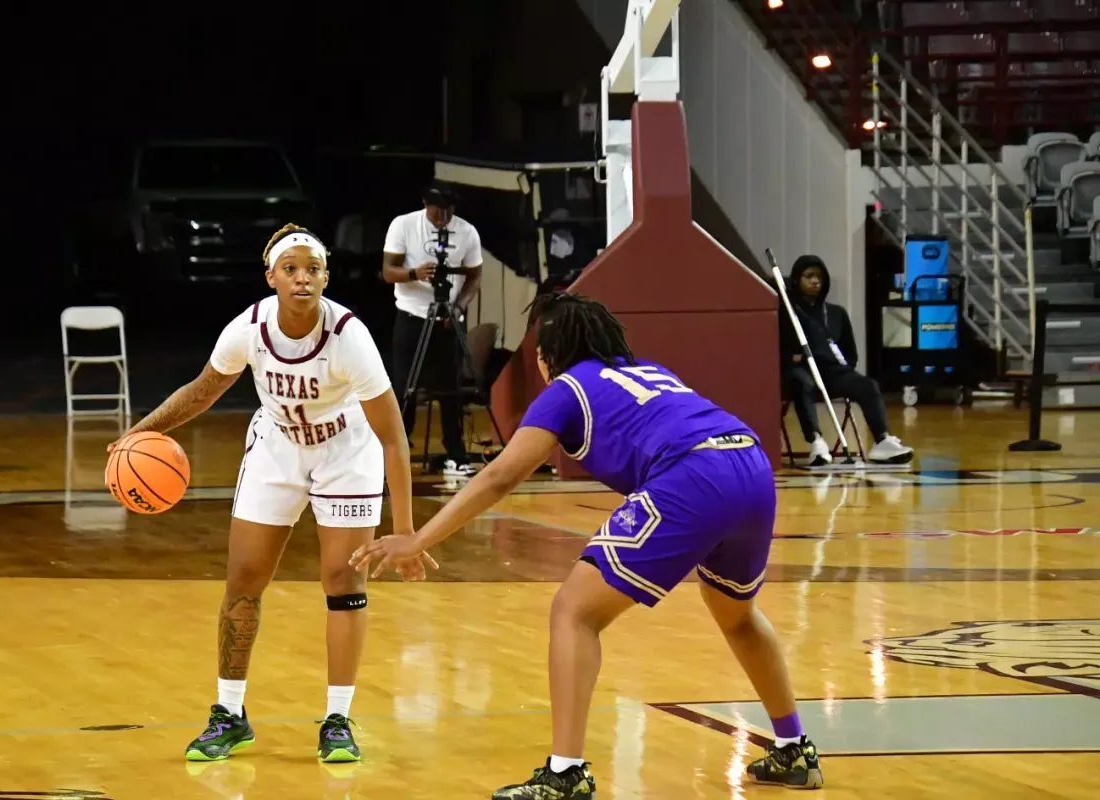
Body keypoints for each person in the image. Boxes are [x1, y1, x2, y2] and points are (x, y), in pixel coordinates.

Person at [351, 292, 825, 798]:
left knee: (574, 613)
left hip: (694, 473)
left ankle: (565, 774)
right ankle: (794, 748)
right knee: (737, 615)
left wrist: (418, 538)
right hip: (749, 462)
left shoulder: (566, 388)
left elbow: (500, 475)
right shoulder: (652, 371)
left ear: (546, 355)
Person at [111, 224, 434, 765]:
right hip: (278, 448)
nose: (302, 278)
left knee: (343, 582)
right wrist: (140, 434)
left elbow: (393, 437)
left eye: (313, 269)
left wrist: (404, 532)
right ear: (272, 278)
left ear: (326, 277)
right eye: (291, 269)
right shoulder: (248, 329)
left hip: (346, 452)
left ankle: (337, 720)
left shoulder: (349, 335)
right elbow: (201, 392)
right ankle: (229, 715)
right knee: (243, 581)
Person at [382, 181, 483, 477]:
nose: (443, 219)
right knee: (405, 388)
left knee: (450, 388)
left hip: (447, 317)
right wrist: (415, 273)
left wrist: (459, 306)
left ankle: (457, 453)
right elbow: (388, 271)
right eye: (438, 213)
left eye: (448, 213)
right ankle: (397, 452)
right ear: (426, 204)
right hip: (411, 315)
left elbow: (474, 276)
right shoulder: (404, 225)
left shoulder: (467, 232)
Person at [781, 254, 914, 466]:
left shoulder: (836, 313)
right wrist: (793, 358)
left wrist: (844, 371)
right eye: (809, 276)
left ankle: (883, 440)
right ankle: (817, 441)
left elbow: (850, 354)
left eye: (820, 277)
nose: (816, 281)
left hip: (831, 371)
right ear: (797, 279)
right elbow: (774, 350)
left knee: (867, 384)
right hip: (801, 369)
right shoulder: (786, 313)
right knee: (801, 382)